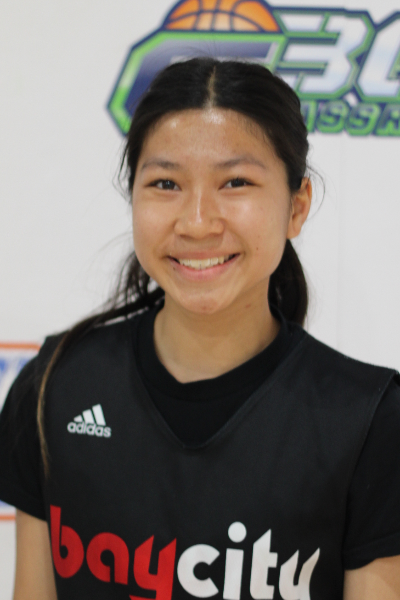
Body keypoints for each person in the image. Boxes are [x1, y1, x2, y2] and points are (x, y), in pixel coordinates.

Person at [0, 58, 400, 600]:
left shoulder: (369, 421)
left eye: (236, 182)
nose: (196, 222)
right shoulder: (55, 386)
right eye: (166, 183)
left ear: (296, 206)